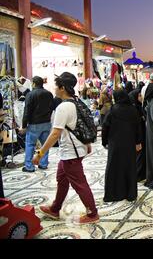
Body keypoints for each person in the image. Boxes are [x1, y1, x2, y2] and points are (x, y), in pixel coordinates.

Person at [33, 72, 99, 224]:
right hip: (73, 150)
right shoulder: (77, 101)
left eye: (56, 86)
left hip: (71, 152)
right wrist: (87, 144)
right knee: (62, 179)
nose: (54, 88)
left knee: (80, 184)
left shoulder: (64, 107)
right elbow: (81, 125)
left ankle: (92, 214)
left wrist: (40, 153)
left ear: (62, 88)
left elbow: (55, 133)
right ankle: (55, 209)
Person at [102, 90, 142, 202]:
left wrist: (104, 141)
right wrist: (138, 142)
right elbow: (138, 127)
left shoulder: (113, 110)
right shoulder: (133, 110)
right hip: (129, 143)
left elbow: (105, 126)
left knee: (114, 168)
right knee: (129, 168)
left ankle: (113, 194)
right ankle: (130, 194)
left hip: (115, 144)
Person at [20, 76, 54, 172]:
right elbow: (52, 107)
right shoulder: (49, 94)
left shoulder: (30, 95)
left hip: (34, 124)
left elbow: (26, 112)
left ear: (34, 83)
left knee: (30, 145)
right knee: (45, 145)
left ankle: (29, 166)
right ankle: (43, 164)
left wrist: (23, 125)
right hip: (46, 123)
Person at [129, 89, 147, 182]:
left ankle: (142, 174)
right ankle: (137, 175)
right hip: (138, 137)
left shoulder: (139, 107)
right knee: (139, 156)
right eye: (139, 96)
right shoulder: (134, 109)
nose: (141, 97)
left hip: (142, 135)